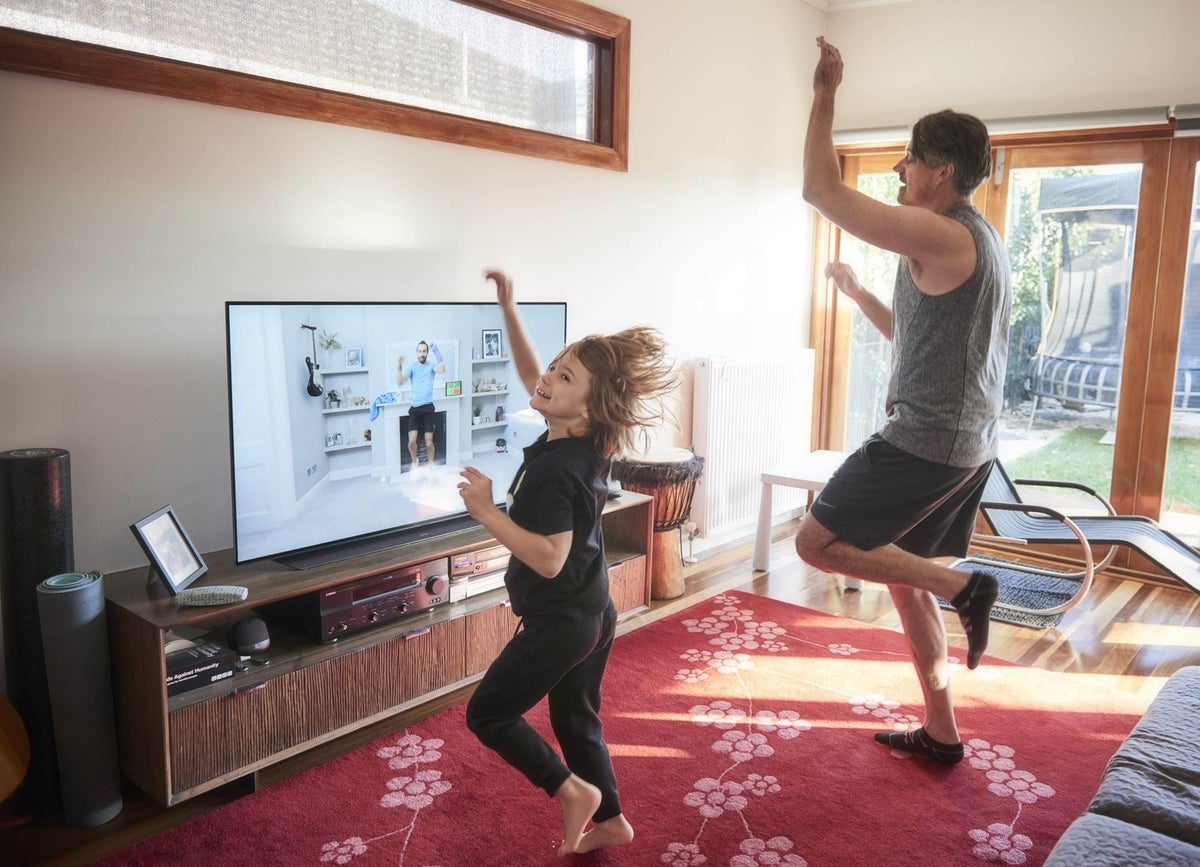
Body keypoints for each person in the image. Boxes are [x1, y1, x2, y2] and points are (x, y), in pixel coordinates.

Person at [794, 37, 1012, 765]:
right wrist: (859, 296)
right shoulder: (974, 243)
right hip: (964, 440)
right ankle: (943, 731)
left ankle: (967, 585)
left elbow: (821, 192)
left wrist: (825, 93)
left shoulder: (946, 233)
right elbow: (917, 339)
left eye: (909, 160)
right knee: (902, 583)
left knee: (815, 543)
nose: (899, 171)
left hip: (927, 441)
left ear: (942, 171)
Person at [458, 269, 677, 856]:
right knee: (575, 718)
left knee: (489, 714)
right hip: (593, 611)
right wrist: (510, 309)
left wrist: (485, 512)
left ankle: (570, 793)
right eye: (554, 367)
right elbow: (537, 377)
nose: (547, 378)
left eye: (565, 375)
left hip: (560, 617)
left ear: (590, 403)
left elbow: (550, 559)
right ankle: (612, 821)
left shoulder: (557, 470)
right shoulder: (586, 439)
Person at [397, 340, 445, 470]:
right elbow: (400, 382)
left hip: (428, 408)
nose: (422, 353)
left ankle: (430, 465)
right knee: (411, 443)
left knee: (429, 443)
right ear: (416, 353)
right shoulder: (412, 366)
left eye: (424, 351)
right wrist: (399, 366)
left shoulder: (432, 365)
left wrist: (437, 351)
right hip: (415, 409)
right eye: (420, 351)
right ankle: (414, 461)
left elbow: (442, 369)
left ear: (427, 353)